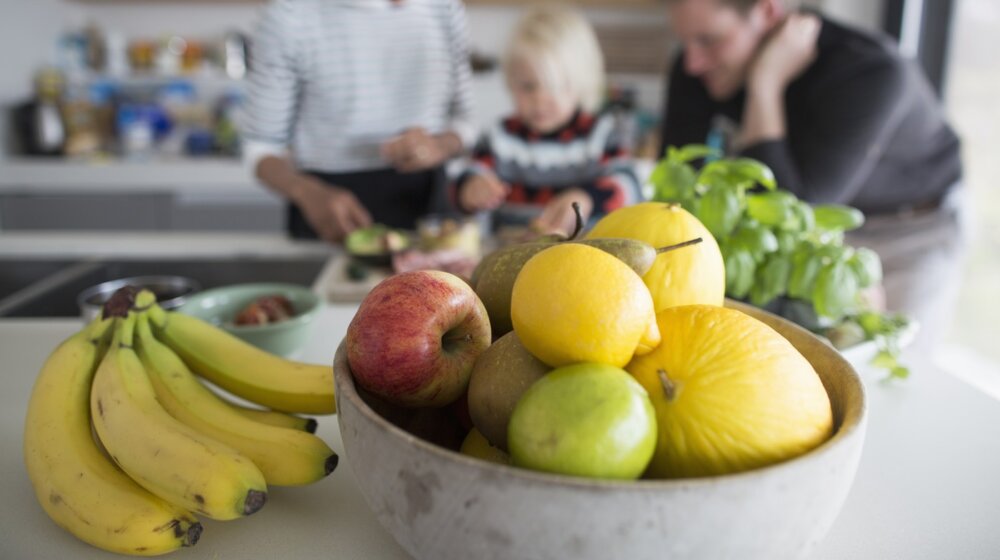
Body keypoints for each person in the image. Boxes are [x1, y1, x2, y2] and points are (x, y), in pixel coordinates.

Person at [660, 0, 965, 351]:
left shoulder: (869, 71)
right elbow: (676, 184)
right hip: (816, 231)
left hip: (911, 229)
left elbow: (794, 209)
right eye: (684, 41)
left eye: (709, 40)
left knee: (894, 364)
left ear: (767, 12)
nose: (692, 61)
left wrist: (765, 85)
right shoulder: (697, 67)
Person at [241, 0, 476, 243]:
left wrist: (439, 146)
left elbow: (464, 123)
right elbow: (260, 147)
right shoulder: (290, 16)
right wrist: (306, 192)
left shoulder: (444, 7)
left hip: (429, 211)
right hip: (329, 213)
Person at [452, 5, 643, 236]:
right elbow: (465, 177)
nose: (540, 100)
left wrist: (588, 197)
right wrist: (470, 188)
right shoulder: (499, 137)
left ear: (582, 83)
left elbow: (629, 185)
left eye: (556, 87)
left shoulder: (601, 134)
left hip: (584, 260)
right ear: (511, 82)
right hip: (512, 262)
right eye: (528, 86)